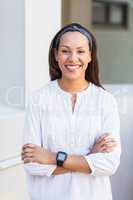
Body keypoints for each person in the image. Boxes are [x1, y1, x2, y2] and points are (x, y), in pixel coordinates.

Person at [21, 23, 121, 200]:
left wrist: (53, 157)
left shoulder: (105, 101)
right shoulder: (39, 99)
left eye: (81, 51)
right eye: (66, 51)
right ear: (56, 55)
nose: (73, 58)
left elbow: (109, 164)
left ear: (90, 56)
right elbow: (33, 164)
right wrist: (89, 158)